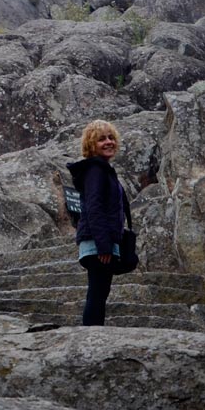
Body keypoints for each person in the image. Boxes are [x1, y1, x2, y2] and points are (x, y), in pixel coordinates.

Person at [67, 119, 128, 326]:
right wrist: (104, 245)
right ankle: (90, 336)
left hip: (102, 241)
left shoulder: (103, 170)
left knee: (100, 292)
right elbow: (94, 208)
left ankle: (93, 333)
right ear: (91, 145)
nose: (109, 142)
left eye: (111, 138)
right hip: (98, 243)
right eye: (102, 139)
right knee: (97, 292)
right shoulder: (96, 170)